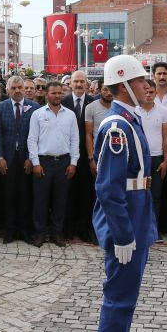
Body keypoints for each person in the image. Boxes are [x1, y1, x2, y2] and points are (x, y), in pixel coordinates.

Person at [92, 55, 157, 332]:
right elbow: (108, 188)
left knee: (128, 290)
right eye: (140, 80)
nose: (147, 85)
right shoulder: (117, 127)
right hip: (126, 219)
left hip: (136, 213)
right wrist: (122, 234)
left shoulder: (131, 120)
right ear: (123, 85)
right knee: (119, 292)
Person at [28, 81, 79, 247]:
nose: (57, 96)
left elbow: (75, 140)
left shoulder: (70, 115)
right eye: (54, 93)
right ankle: (40, 233)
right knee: (40, 200)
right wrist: (35, 163)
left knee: (60, 200)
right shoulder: (37, 114)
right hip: (44, 162)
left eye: (59, 93)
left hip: (64, 162)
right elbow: (32, 140)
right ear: (47, 94)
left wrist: (73, 163)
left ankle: (57, 233)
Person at [0, 76, 39, 245]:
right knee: (9, 195)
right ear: (7, 90)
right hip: (7, 158)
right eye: (13, 88)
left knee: (26, 196)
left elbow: (36, 136)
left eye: (20, 87)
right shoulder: (0, 107)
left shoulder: (35, 107)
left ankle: (25, 230)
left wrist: (30, 158)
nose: (17, 90)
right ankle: (10, 230)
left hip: (26, 159)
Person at [62, 71, 96, 242]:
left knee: (86, 193)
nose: (79, 84)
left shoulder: (93, 103)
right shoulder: (63, 102)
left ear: (86, 84)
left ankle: (84, 229)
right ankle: (68, 229)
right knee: (68, 193)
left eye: (82, 81)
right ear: (70, 83)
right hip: (67, 154)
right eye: (76, 81)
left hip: (87, 155)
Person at [137, 78, 167, 223]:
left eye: (151, 92)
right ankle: (139, 227)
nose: (148, 95)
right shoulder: (134, 110)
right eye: (145, 91)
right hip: (138, 158)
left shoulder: (164, 112)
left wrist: (166, 160)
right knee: (138, 194)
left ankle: (153, 228)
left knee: (155, 195)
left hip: (157, 158)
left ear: (156, 93)